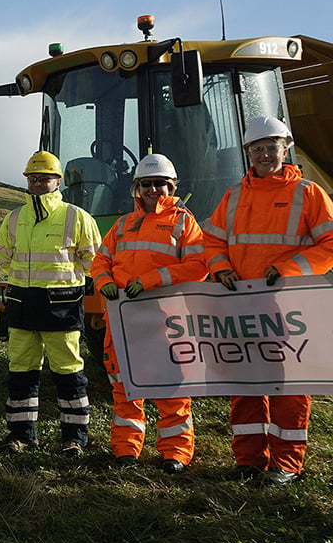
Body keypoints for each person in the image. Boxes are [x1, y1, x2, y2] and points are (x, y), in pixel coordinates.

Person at [203, 116, 333, 486]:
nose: (264, 154)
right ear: (247, 153)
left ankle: (286, 465)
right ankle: (248, 460)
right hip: (242, 307)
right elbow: (211, 242)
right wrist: (221, 268)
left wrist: (290, 269)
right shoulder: (234, 195)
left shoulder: (308, 193)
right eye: (257, 148)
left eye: (271, 146)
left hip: (289, 310)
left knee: (288, 386)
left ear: (286, 147)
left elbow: (330, 243)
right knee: (245, 384)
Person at [92, 154, 207, 473]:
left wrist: (149, 281)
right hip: (123, 323)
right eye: (147, 184)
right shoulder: (123, 224)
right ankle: (126, 450)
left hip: (167, 320)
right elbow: (101, 260)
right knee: (125, 388)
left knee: (172, 388)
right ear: (136, 188)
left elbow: (199, 266)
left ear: (172, 187)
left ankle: (176, 454)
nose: (154, 190)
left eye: (160, 184)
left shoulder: (184, 222)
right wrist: (104, 283)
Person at [0, 151, 102, 457]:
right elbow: (2, 251)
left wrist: (74, 280)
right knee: (21, 373)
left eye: (44, 178)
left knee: (68, 374)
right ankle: (21, 436)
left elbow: (94, 259)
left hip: (61, 309)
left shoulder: (76, 217)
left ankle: (75, 438)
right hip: (22, 306)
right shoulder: (14, 217)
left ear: (58, 181)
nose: (38, 183)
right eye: (33, 178)